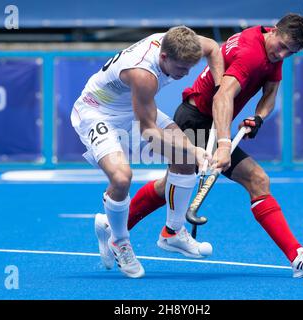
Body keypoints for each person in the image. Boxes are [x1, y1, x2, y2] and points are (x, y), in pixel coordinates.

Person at [96, 14, 303, 278]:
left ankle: (114, 225)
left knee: (175, 186)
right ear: (274, 31)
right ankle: (296, 256)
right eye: (283, 45)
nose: (283, 54)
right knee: (248, 180)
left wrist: (259, 117)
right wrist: (223, 144)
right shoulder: (251, 55)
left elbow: (269, 94)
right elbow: (222, 98)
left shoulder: (268, 46)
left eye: (291, 52)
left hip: (207, 121)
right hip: (195, 120)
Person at [72, 26, 224, 278]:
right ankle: (118, 239)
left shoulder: (180, 42)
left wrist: (219, 90)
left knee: (184, 161)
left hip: (133, 107)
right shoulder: (144, 76)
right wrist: (193, 148)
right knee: (121, 178)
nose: (185, 75)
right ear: (164, 57)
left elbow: (214, 49)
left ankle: (173, 232)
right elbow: (150, 133)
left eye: (190, 69)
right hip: (97, 112)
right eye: (180, 69)